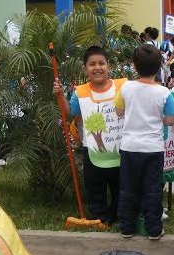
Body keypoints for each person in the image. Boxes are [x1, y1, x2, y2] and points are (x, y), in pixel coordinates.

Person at [53, 46, 126, 226]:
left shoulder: (122, 86)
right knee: (95, 188)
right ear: (85, 68)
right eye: (92, 64)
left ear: (108, 66)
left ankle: (119, 214)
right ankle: (98, 217)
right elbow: (69, 112)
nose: (97, 67)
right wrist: (60, 95)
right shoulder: (80, 92)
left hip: (121, 149)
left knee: (121, 187)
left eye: (101, 63)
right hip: (91, 150)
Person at [114, 44, 174, 239]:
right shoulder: (164, 93)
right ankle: (154, 230)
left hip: (130, 147)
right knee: (152, 190)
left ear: (134, 66)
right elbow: (170, 120)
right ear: (159, 66)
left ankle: (126, 227)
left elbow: (119, 111)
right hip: (153, 149)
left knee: (128, 188)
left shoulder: (126, 88)